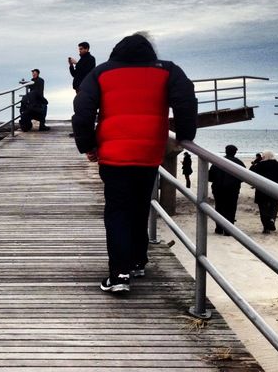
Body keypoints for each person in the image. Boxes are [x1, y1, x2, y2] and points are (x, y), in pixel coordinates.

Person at [72, 32, 197, 294]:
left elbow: (82, 111)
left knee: (118, 209)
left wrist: (88, 146)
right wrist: (186, 136)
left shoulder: (101, 73)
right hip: (149, 152)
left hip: (114, 154)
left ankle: (119, 274)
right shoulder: (168, 71)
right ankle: (138, 261)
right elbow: (186, 100)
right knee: (141, 205)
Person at [208, 145, 245, 235]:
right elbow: (244, 177)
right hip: (232, 189)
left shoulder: (218, 161)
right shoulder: (239, 163)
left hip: (218, 188)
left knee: (219, 207)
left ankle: (219, 228)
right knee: (231, 208)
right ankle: (229, 230)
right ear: (235, 152)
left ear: (225, 151)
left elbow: (210, 176)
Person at [250, 150, 278, 233]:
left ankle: (266, 227)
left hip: (262, 189)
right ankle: (271, 220)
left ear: (263, 157)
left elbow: (250, 173)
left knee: (263, 208)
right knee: (274, 205)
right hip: (275, 189)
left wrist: (255, 162)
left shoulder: (259, 165)